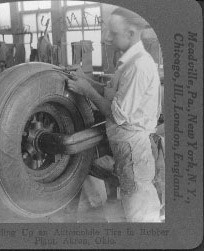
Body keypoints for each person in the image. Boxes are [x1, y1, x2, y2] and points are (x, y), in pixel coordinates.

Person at [66, 7, 162, 222]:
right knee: (129, 203)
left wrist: (86, 91)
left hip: (134, 149)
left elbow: (117, 113)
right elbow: (110, 93)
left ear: (131, 33)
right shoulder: (127, 63)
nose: (107, 38)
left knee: (139, 211)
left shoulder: (138, 66)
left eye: (113, 33)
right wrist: (86, 79)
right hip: (124, 146)